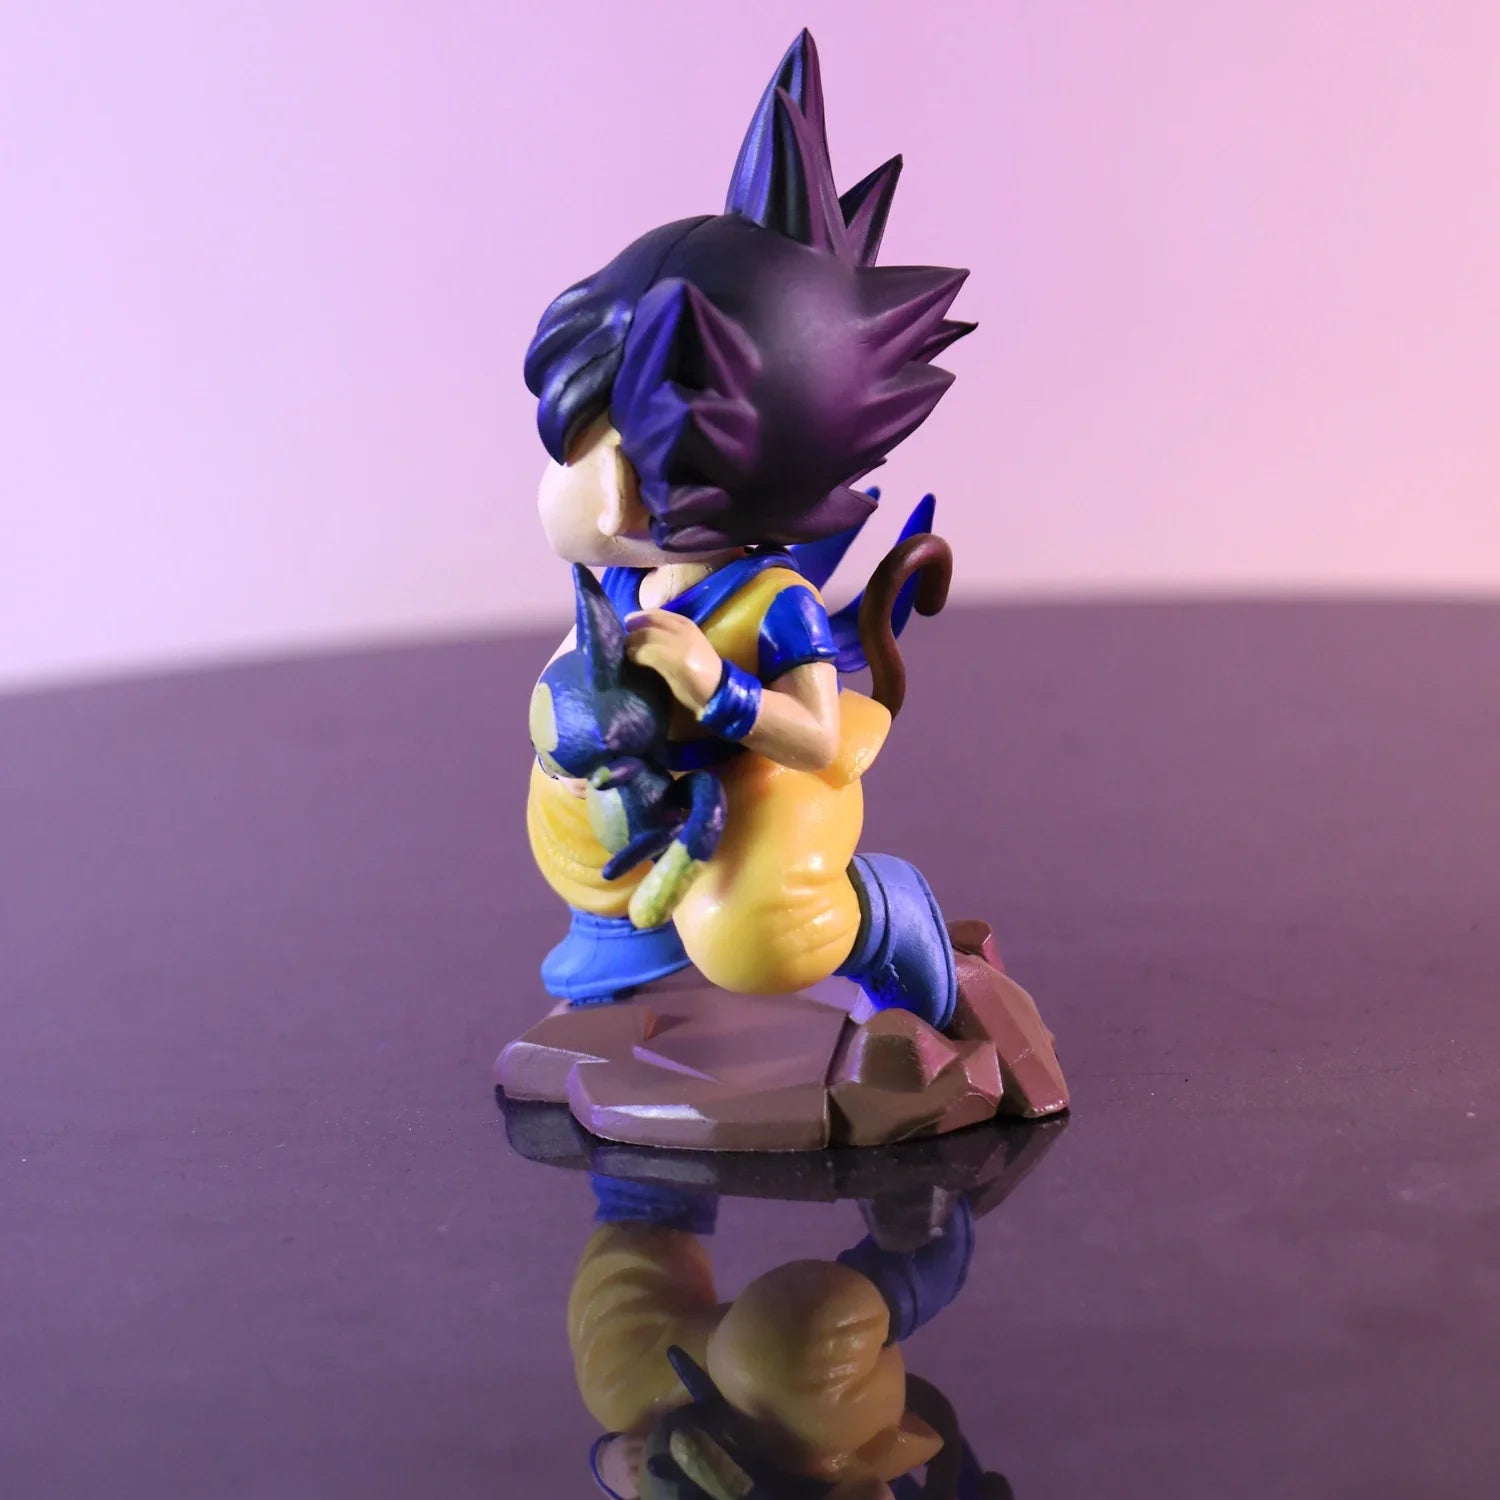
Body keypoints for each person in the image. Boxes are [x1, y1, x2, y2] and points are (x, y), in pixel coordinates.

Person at [523, 30, 974, 1031]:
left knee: (755, 934)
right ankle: (623, 937)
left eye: (622, 464)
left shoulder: (777, 605)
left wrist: (713, 689)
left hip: (769, 783)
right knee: (560, 805)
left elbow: (815, 736)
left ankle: (883, 921)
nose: (591, 503)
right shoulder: (628, 581)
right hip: (663, 781)